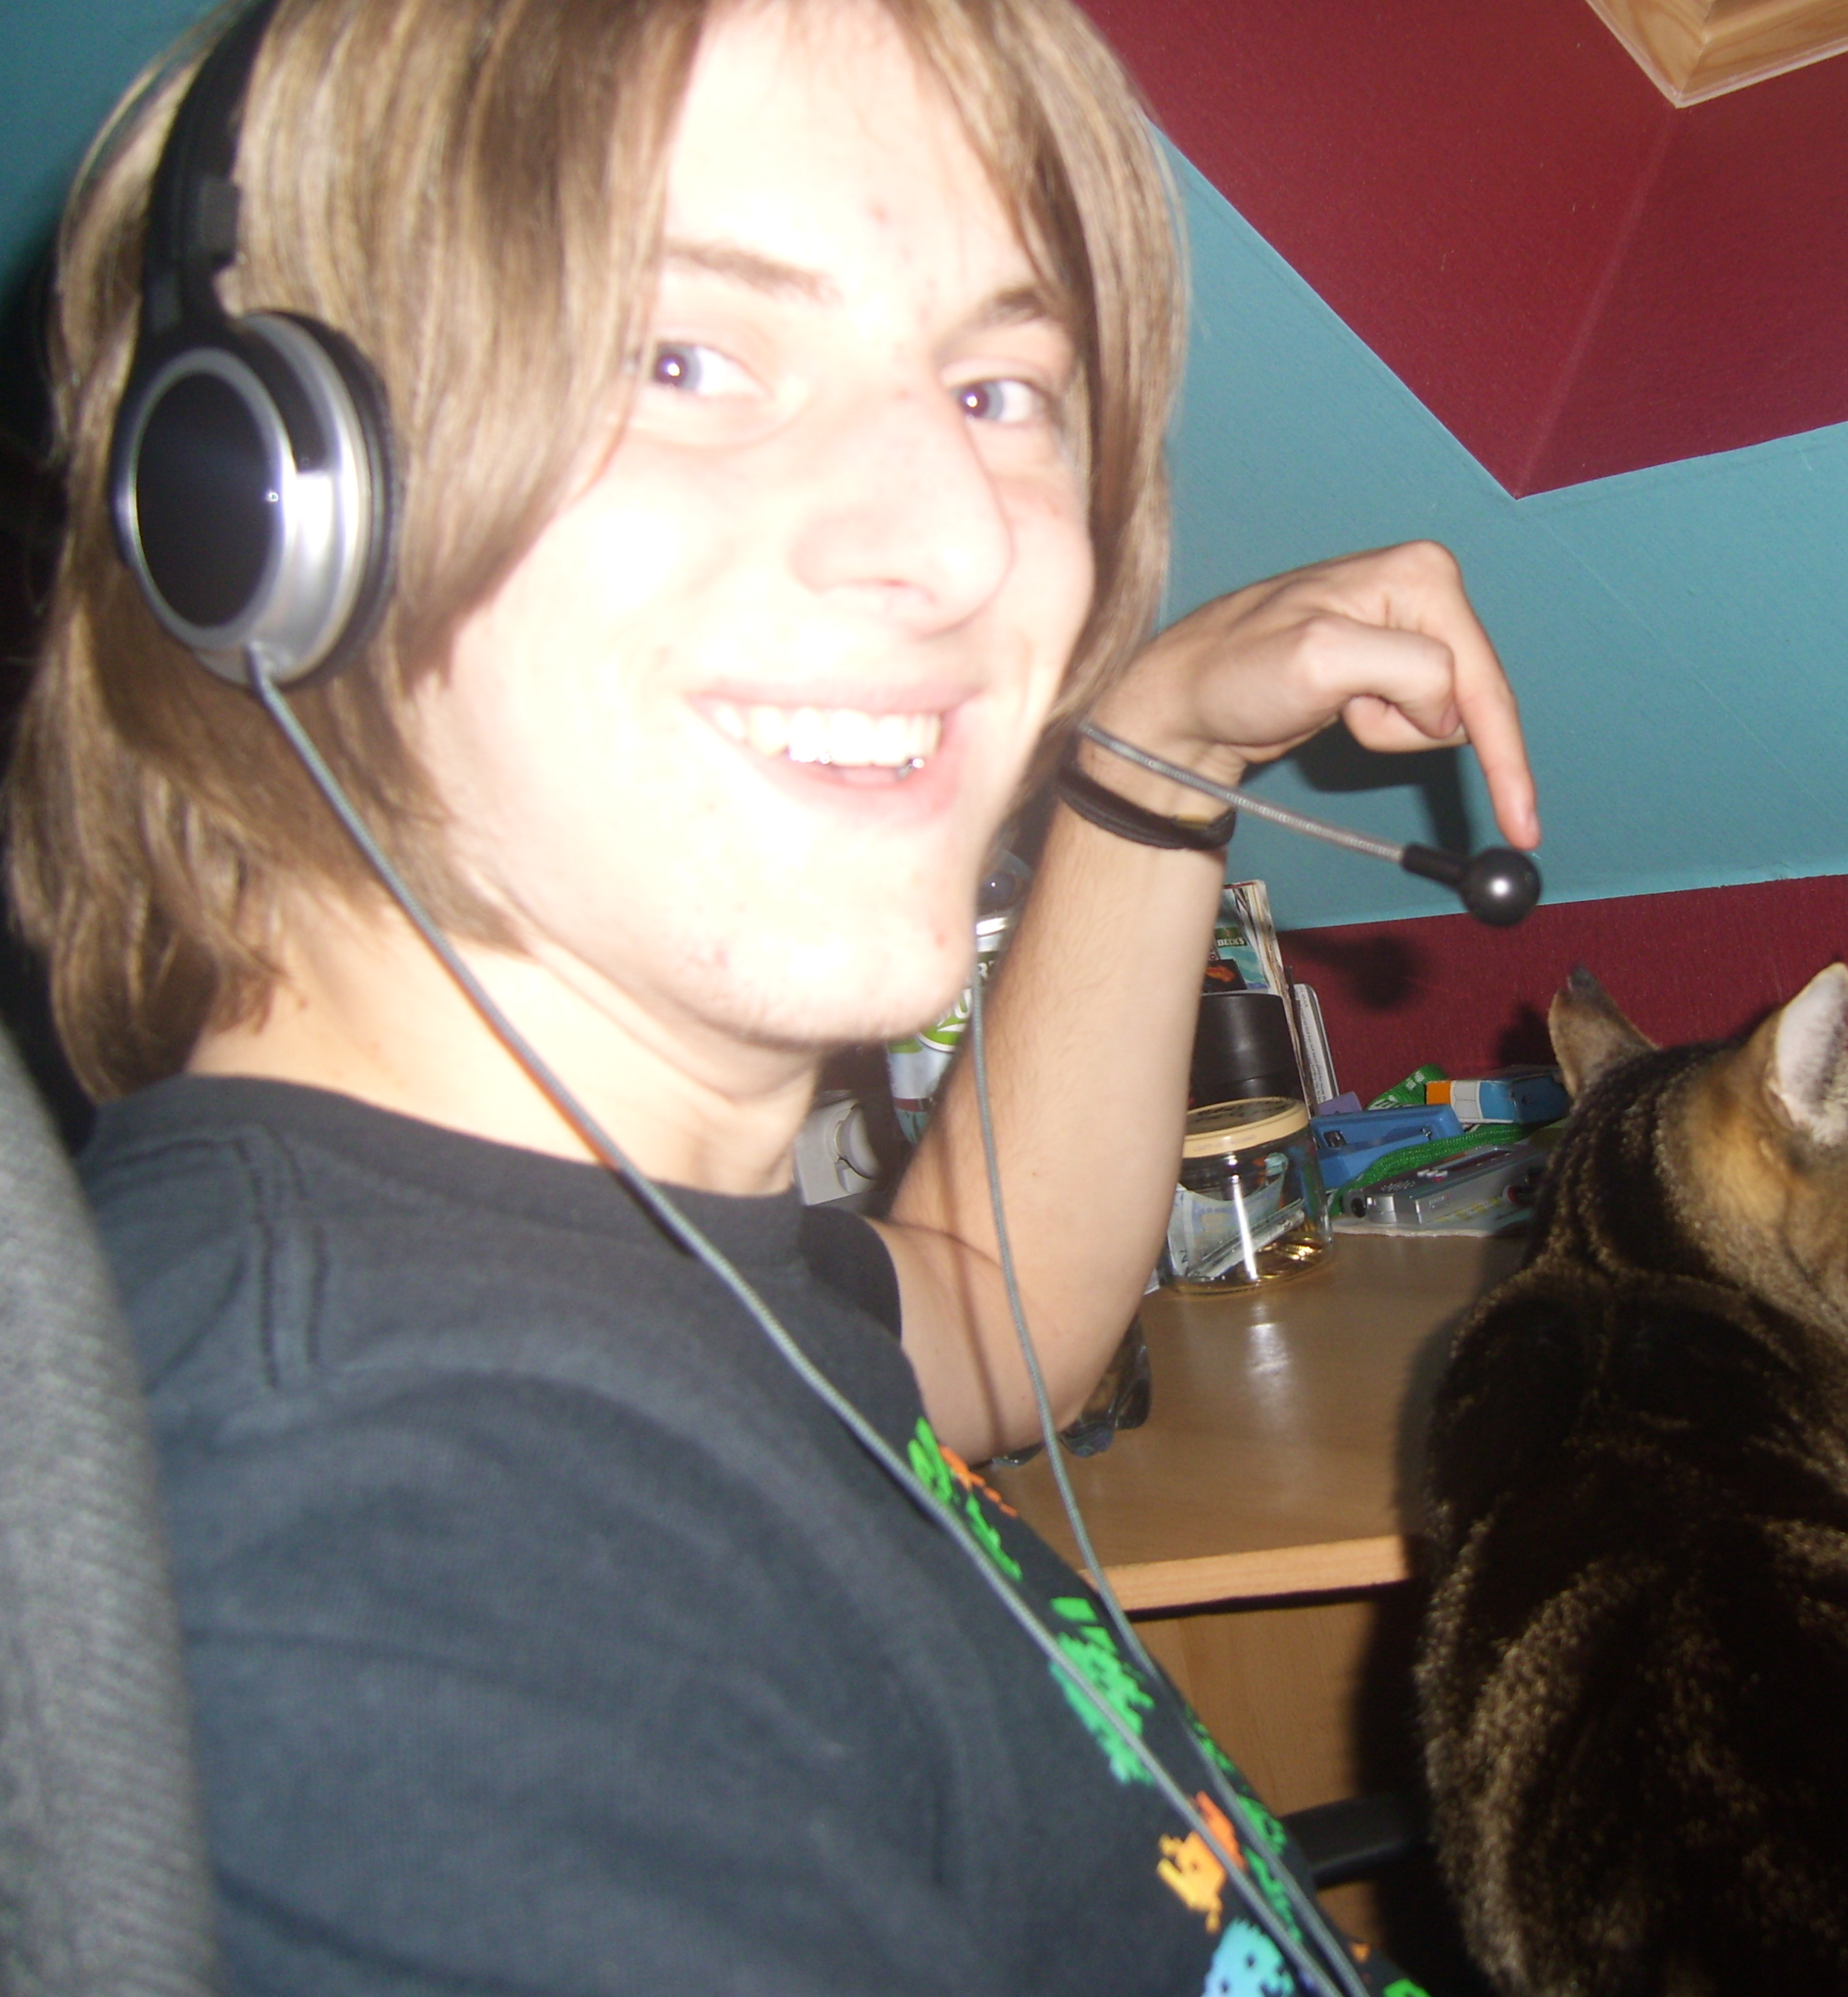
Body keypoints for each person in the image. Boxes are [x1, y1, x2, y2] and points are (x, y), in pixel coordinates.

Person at [6, 0, 1538, 1988]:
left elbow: (990, 1313)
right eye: (687, 359)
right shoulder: (388, 1559)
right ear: (266, 502)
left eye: (998, 388)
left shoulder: (564, 1243)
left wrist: (1156, 753)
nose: (961, 543)